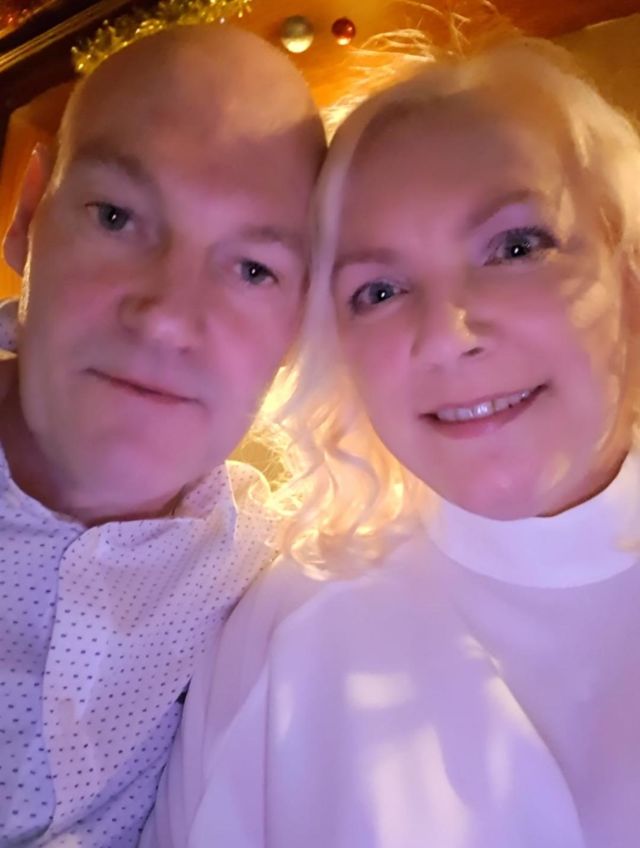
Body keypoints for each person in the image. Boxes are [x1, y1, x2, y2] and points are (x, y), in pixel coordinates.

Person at [145, 36, 640, 848]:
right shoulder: (286, 628)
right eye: (378, 290)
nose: (445, 335)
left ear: (627, 273)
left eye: (516, 247)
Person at [0, 23, 325, 846]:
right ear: (28, 218)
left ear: (298, 331)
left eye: (253, 269)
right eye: (116, 217)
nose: (168, 318)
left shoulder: (280, 572)